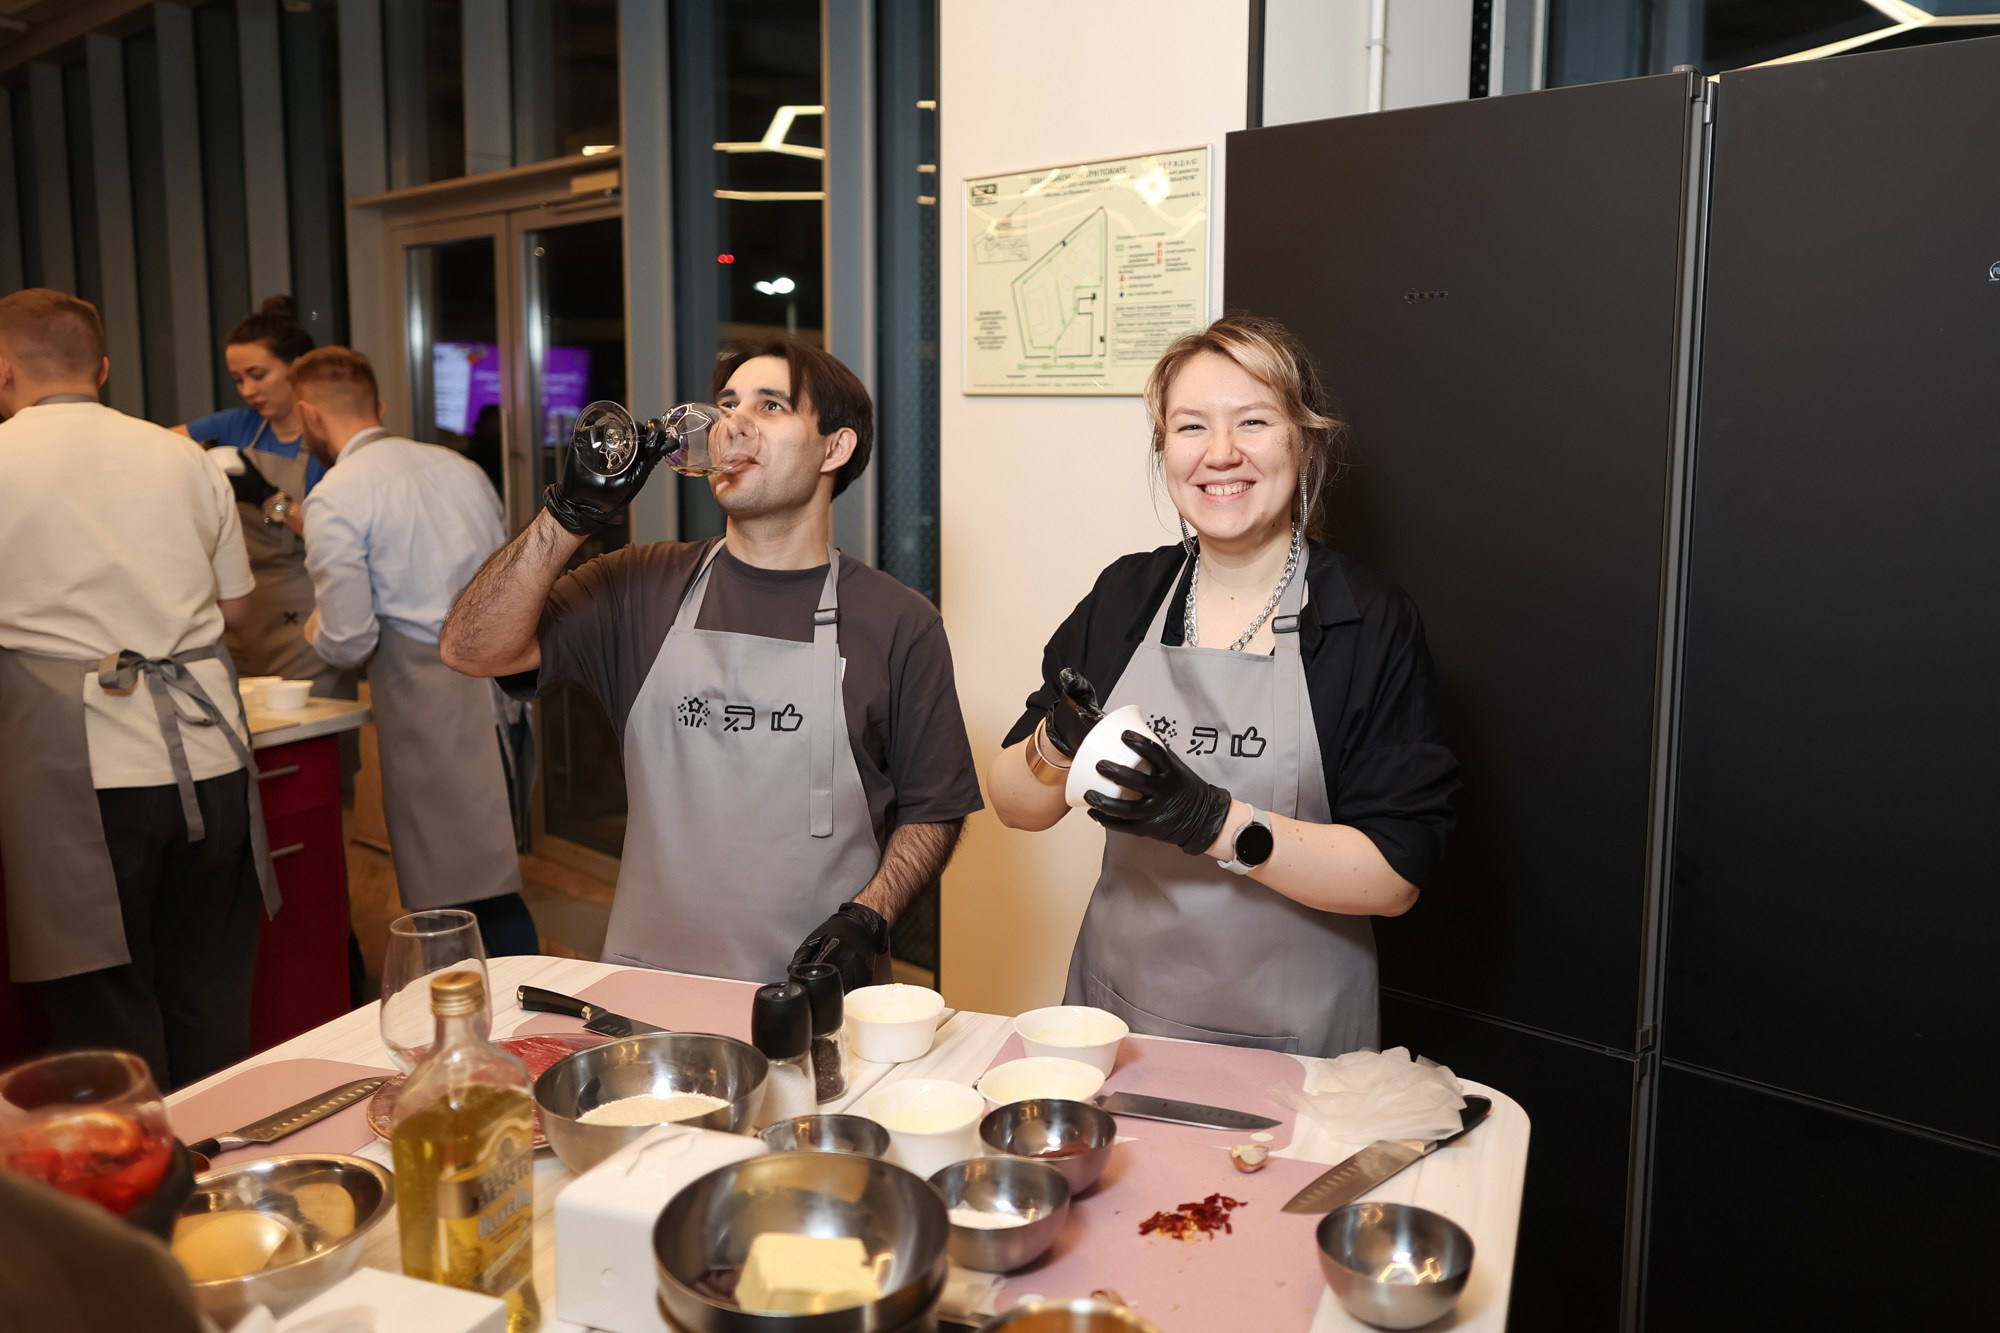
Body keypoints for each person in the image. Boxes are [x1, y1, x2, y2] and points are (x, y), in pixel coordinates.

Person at [441, 338, 983, 990]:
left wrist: (869, 918)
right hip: (648, 993)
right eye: (727, 405)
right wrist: (569, 516)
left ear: (834, 448)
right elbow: (469, 648)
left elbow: (934, 807)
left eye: (771, 405)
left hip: (818, 993)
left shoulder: (899, 622)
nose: (734, 424)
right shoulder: (637, 585)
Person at [987, 315, 1459, 1058]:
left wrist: (1211, 820)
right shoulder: (1127, 596)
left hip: (1296, 1040)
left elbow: (1394, 875)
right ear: (1164, 449)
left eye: (1253, 421)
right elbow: (1015, 805)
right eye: (1190, 427)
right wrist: (1057, 741)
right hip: (1119, 1018)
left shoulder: (1366, 621)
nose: (1220, 454)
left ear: (1304, 442)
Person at [0, 289, 278, 1089]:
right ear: (103, 368)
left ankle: (138, 1167)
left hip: (80, 773)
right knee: (209, 995)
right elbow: (235, 610)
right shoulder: (183, 457)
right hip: (212, 760)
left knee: (107, 1016)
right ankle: (213, 1155)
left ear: (5, 368)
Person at [288, 347, 538, 956]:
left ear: (310, 415)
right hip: (501, 690)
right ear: (377, 406)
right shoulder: (461, 468)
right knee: (488, 877)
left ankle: (488, 1006)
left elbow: (348, 638)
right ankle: (516, 999)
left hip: (428, 700)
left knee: (450, 896)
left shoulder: (336, 495)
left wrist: (311, 628)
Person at [172, 295, 349, 698]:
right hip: (242, 609)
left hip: (303, 615)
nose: (248, 390)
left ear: (296, 369)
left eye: (258, 375)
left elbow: (328, 533)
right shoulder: (238, 425)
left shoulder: (325, 439)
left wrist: (270, 499)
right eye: (238, 379)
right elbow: (151, 446)